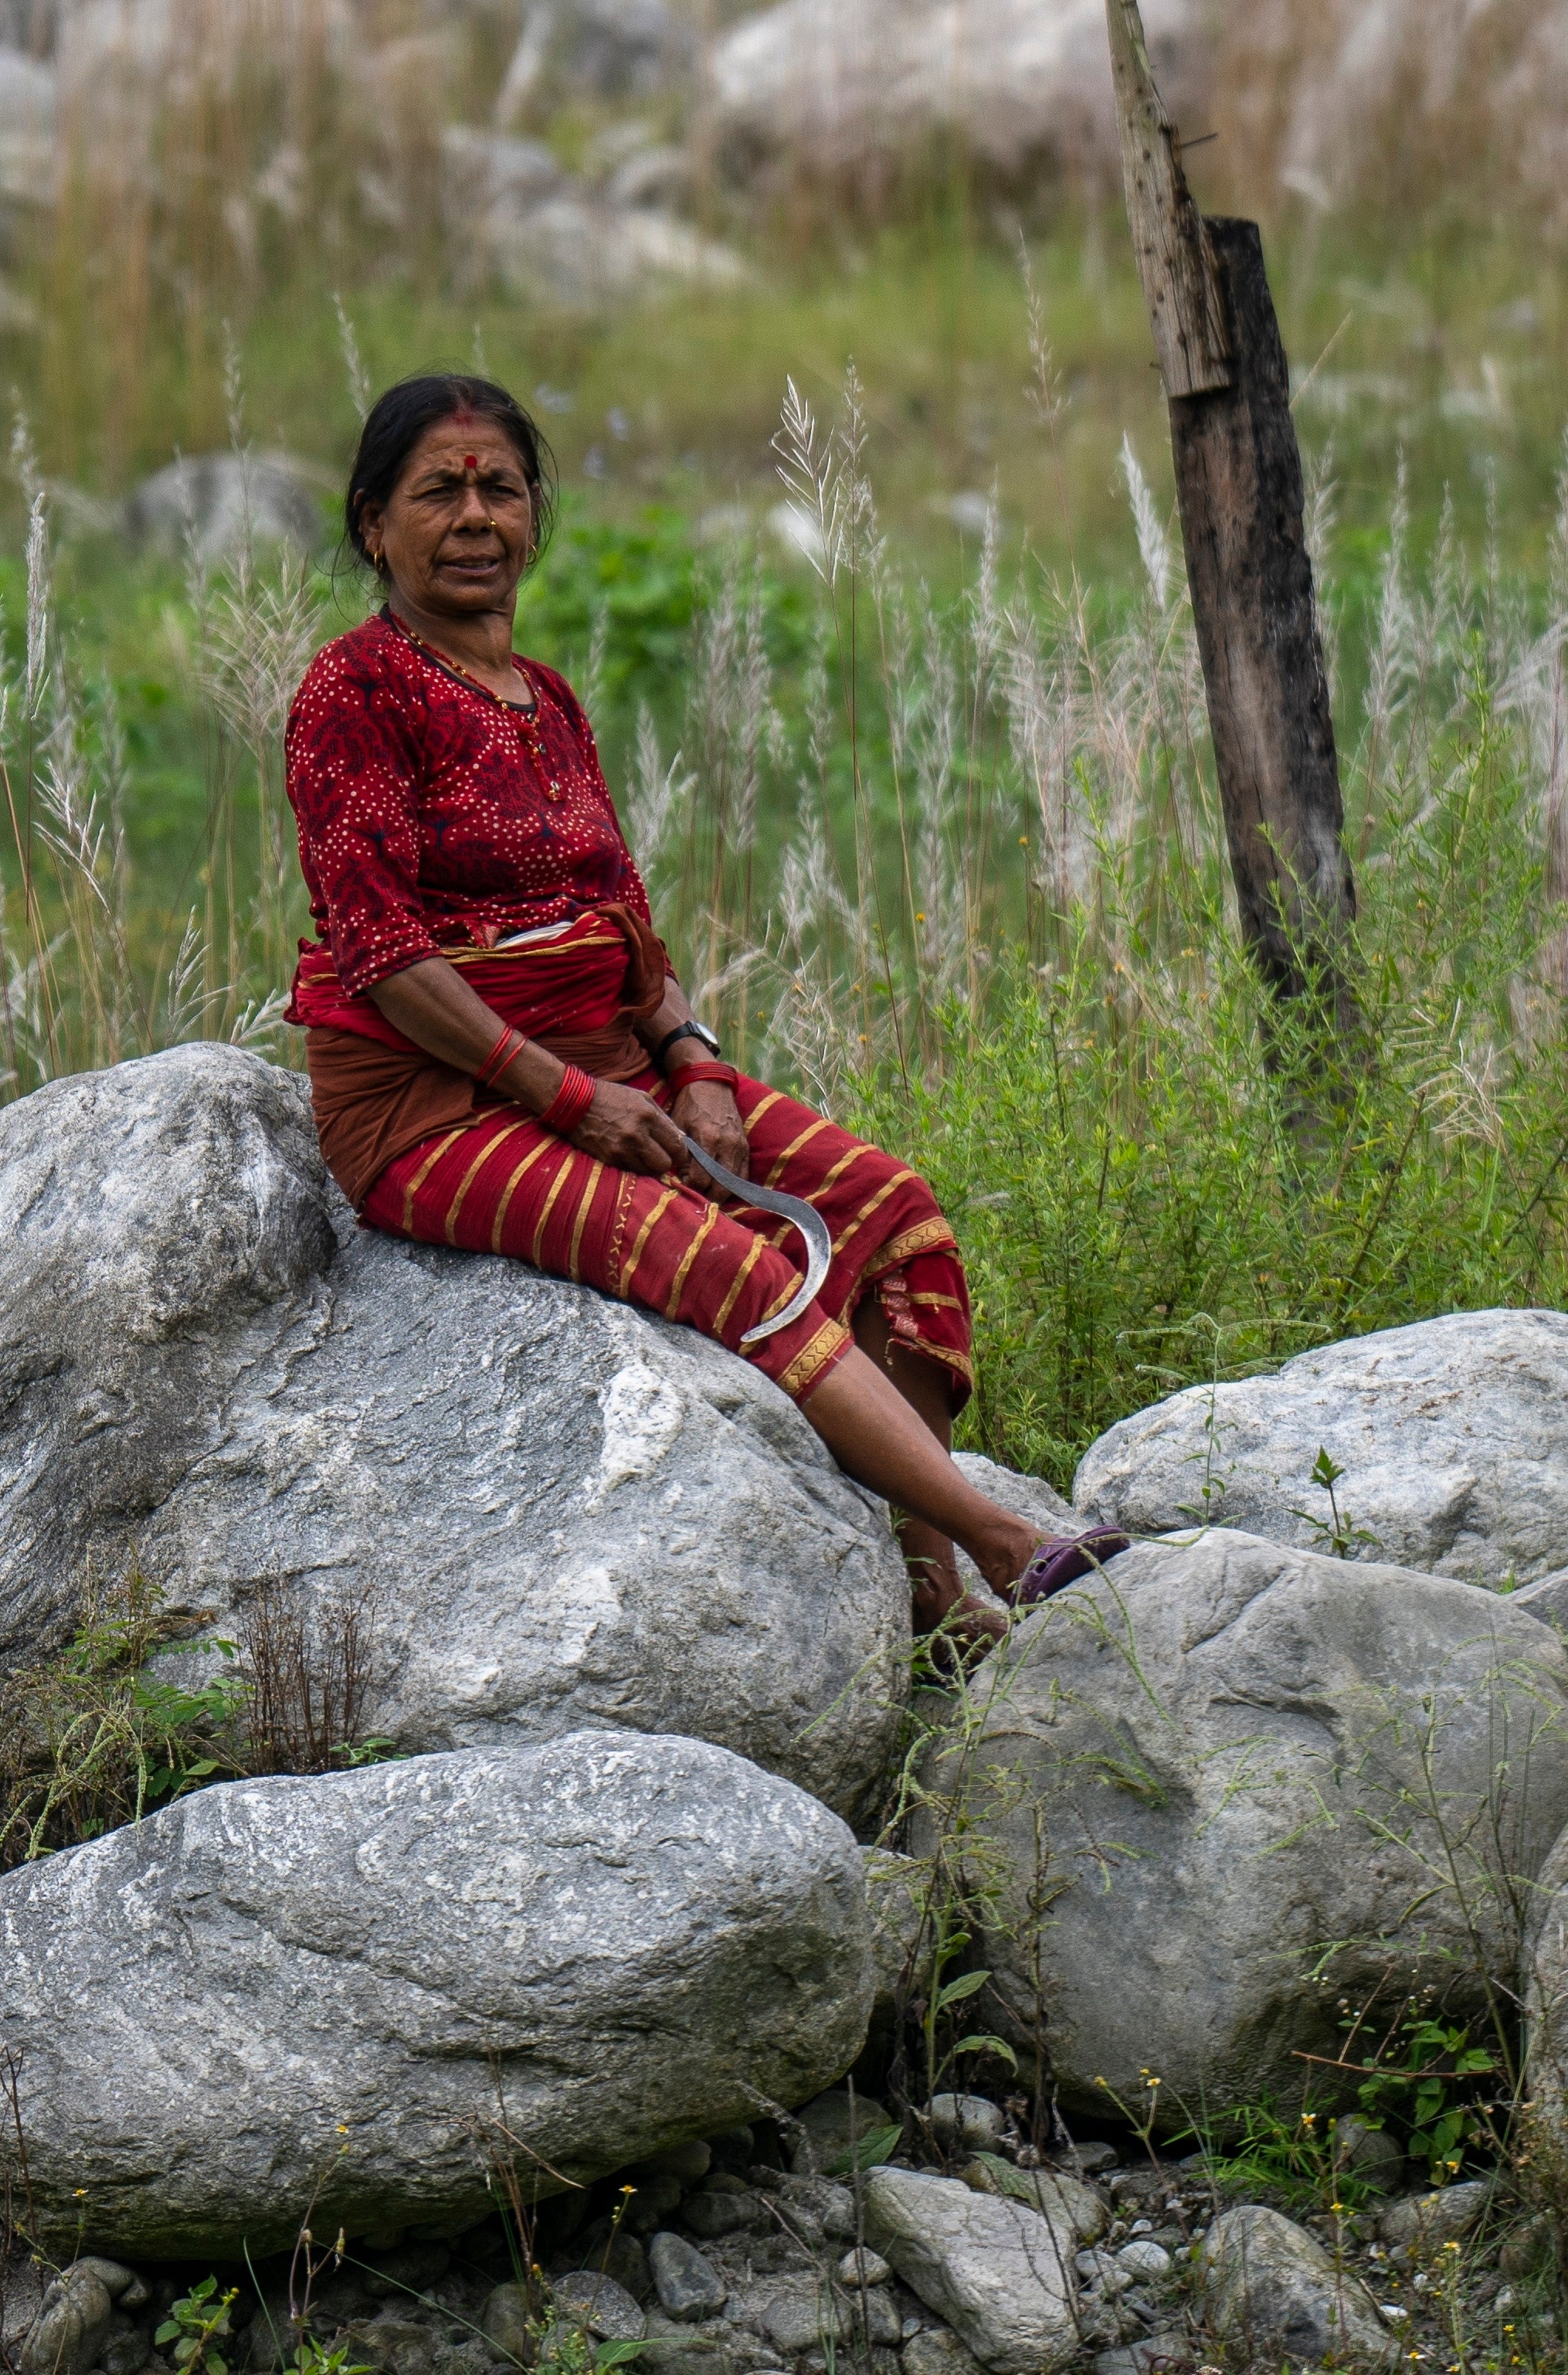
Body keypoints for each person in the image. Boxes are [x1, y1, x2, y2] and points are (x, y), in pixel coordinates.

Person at [283, 369, 1119, 1647]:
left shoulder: (548, 700)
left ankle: (925, 1589)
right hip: (430, 1104)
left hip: (610, 1055)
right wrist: (569, 1099)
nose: (473, 517)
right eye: (435, 492)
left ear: (534, 517)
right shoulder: (353, 695)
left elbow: (622, 912)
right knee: (726, 1261)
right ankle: (1003, 1543)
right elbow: (383, 950)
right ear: (371, 525)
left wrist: (694, 1064)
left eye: (500, 488)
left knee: (892, 1213)